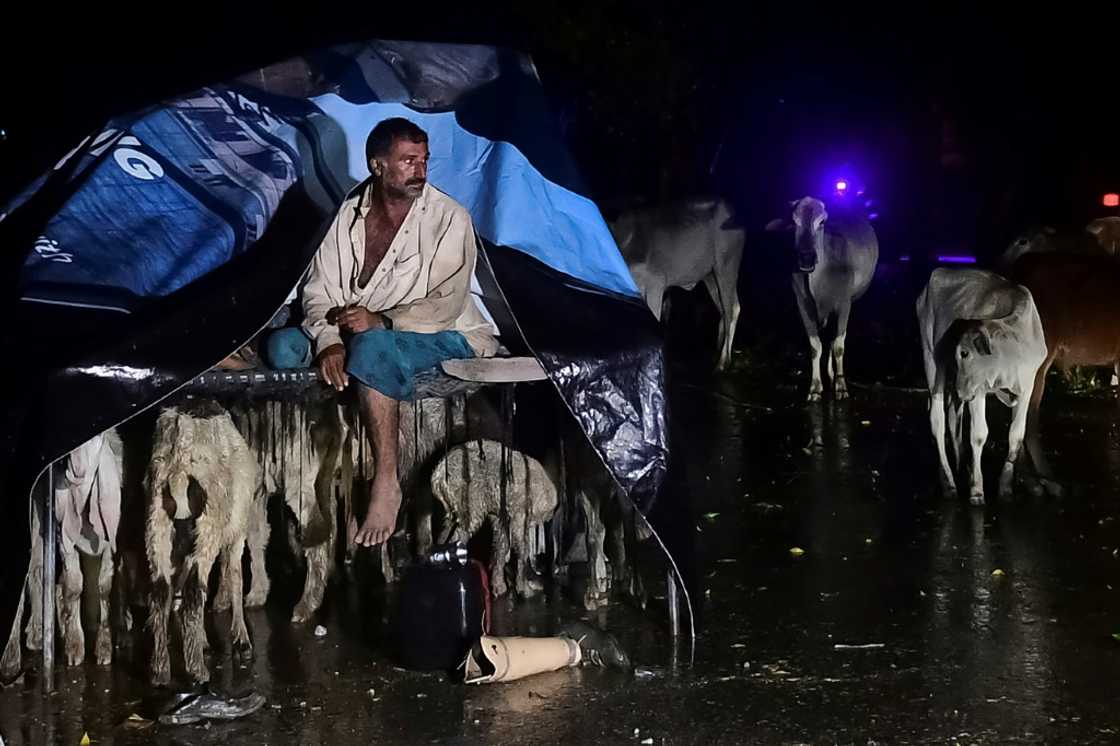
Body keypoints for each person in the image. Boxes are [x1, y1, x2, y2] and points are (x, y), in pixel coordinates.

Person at [266, 117, 497, 548]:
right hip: (356, 329)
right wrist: (328, 342)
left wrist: (383, 321)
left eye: (424, 160)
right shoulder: (344, 216)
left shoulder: (449, 217)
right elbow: (319, 290)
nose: (420, 171)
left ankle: (386, 482)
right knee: (281, 348)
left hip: (446, 331)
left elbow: (446, 302)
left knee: (372, 348)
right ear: (378, 166)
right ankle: (310, 473)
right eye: (408, 161)